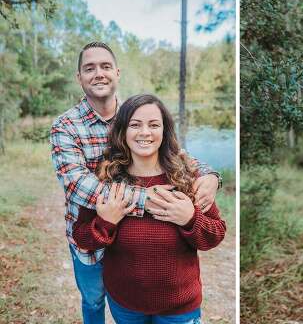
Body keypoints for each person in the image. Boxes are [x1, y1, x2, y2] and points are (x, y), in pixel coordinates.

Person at [50, 42, 221, 324]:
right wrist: (148, 199)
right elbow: (76, 185)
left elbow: (177, 154)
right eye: (89, 68)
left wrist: (211, 176)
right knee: (94, 299)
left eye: (105, 66)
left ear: (117, 73)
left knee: (130, 288)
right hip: (94, 223)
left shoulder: (136, 113)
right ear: (78, 77)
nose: (98, 73)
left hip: (168, 293)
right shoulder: (65, 126)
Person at [72, 93, 227, 323]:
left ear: (164, 131)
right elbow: (82, 237)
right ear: (123, 131)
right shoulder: (107, 180)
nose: (145, 132)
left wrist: (190, 219)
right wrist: (106, 223)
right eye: (135, 125)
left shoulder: (186, 176)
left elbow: (215, 234)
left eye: (154, 125)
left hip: (179, 307)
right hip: (125, 304)